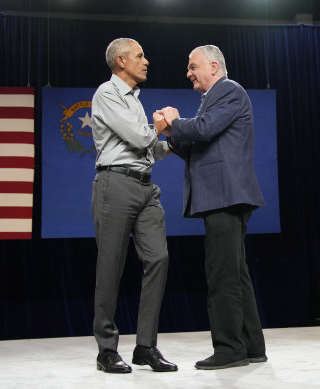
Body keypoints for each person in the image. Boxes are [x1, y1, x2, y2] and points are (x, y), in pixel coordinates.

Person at [157, 45, 267, 370]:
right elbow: (199, 146)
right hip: (223, 196)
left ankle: (229, 348)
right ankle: (251, 346)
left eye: (193, 66)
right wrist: (173, 134)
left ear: (214, 67)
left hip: (225, 195)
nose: (188, 73)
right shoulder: (212, 99)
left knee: (221, 275)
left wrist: (173, 123)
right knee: (236, 273)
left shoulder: (229, 91)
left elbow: (202, 129)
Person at [90, 37, 177, 374]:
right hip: (115, 184)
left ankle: (145, 346)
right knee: (110, 267)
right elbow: (141, 137)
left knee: (159, 258)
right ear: (121, 61)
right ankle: (106, 350)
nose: (146, 61)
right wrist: (163, 122)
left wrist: (173, 142)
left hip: (145, 188)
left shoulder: (135, 102)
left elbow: (150, 148)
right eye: (140, 55)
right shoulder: (106, 93)